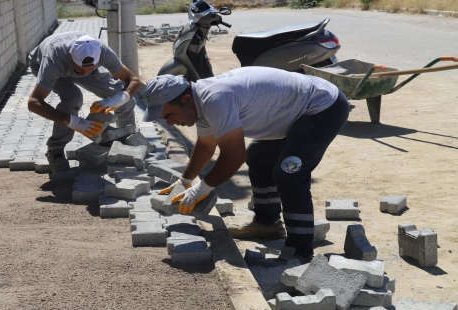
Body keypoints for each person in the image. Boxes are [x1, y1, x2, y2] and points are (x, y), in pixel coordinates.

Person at [140, 67, 349, 261]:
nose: (169, 122)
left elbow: (233, 156)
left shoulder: (215, 99)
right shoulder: (199, 105)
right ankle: (268, 225)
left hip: (321, 107)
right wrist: (185, 180)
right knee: (259, 156)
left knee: (290, 174)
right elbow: (206, 145)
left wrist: (201, 189)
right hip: (293, 111)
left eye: (169, 115)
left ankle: (300, 251)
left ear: (185, 99)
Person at [27, 32, 143, 171]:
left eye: (90, 69)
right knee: (72, 98)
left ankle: (128, 141)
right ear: (71, 56)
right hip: (43, 63)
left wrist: (119, 98)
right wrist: (72, 121)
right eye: (80, 70)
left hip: (73, 63)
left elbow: (134, 81)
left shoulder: (102, 52)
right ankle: (55, 150)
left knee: (122, 97)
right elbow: (34, 102)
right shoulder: (53, 60)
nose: (84, 74)